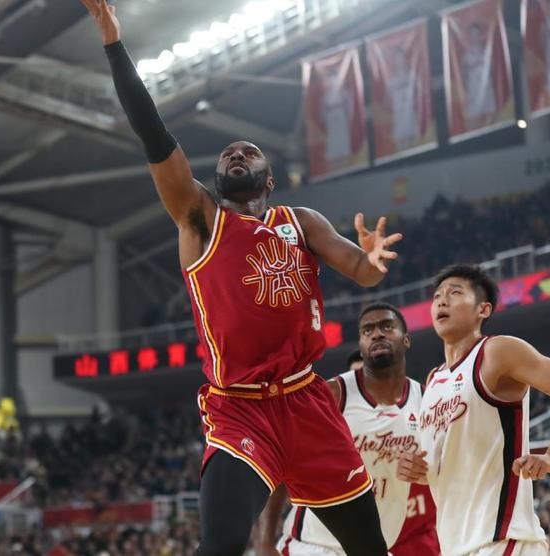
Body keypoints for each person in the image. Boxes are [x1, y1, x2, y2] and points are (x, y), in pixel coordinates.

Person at [80, 2, 402, 555]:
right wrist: (114, 44)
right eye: (228, 153)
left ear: (268, 179)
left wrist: (371, 262)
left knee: (370, 548)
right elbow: (154, 134)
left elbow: (360, 270)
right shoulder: (201, 219)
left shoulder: (301, 221)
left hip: (306, 400)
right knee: (223, 545)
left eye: (248, 152)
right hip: (240, 405)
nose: (236, 153)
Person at [397, 264, 550, 555]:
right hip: (456, 546)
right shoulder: (434, 379)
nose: (442, 301)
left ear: (483, 309)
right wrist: (416, 470)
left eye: (455, 293)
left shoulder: (496, 352)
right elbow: (445, 465)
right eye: (437, 296)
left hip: (504, 541)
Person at [256, 303, 439, 556]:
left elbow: (443, 469)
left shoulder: (425, 400)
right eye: (367, 331)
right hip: (313, 546)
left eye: (387, 327)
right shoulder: (332, 395)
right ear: (361, 346)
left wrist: (426, 472)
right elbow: (279, 463)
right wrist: (264, 541)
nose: (377, 334)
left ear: (406, 339)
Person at [461, 23, 497, 128]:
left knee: (491, 119)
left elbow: (493, 69)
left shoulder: (487, 51)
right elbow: (463, 76)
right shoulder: (466, 56)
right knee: (473, 123)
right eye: (472, 35)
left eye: (476, 34)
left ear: (480, 35)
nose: (475, 37)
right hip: (473, 91)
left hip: (487, 89)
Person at [386, 47, 419, 150]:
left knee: (411, 139)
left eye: (401, 57)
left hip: (409, 109)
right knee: (401, 140)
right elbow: (388, 96)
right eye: (396, 58)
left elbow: (418, 89)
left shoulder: (411, 74)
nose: (399, 60)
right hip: (398, 110)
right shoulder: (391, 78)